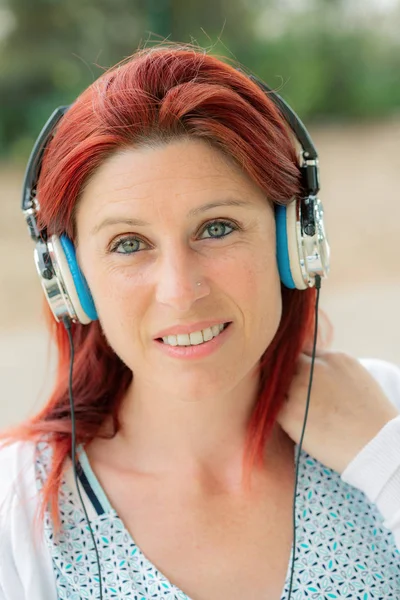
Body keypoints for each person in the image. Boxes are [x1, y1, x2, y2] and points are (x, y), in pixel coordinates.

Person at [0, 44, 399, 600]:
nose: (181, 292)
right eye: (129, 243)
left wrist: (386, 460)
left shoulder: (385, 414)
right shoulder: (17, 506)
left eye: (216, 228)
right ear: (70, 280)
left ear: (293, 240)